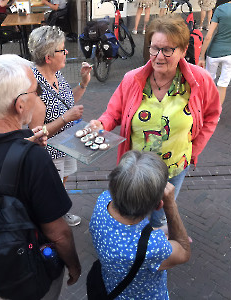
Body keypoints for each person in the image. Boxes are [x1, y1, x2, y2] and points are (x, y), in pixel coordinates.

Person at [0, 54, 81, 299]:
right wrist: (74, 265)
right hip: (32, 270)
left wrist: (22, 148)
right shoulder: (35, 159)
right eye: (37, 90)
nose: (39, 96)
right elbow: (58, 233)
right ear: (20, 105)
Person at [90, 15, 221, 228]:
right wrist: (101, 125)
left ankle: (157, 239)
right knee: (133, 212)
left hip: (175, 165)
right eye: (154, 48)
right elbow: (113, 113)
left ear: (183, 49)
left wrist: (194, 150)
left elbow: (212, 115)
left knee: (160, 214)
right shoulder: (132, 79)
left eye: (167, 50)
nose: (159, 56)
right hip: (136, 170)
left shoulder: (199, 80)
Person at [90, 150, 191, 299]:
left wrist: (157, 230)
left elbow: (128, 232)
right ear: (158, 205)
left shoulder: (103, 201)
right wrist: (170, 205)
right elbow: (183, 251)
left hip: (110, 285)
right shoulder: (153, 247)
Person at [27, 25, 91, 227]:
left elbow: (66, 101)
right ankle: (50, 223)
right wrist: (65, 118)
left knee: (62, 181)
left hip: (65, 144)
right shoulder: (33, 84)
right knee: (48, 190)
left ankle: (61, 211)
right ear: (48, 57)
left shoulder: (56, 74)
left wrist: (83, 83)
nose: (67, 52)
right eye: (63, 49)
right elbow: (35, 133)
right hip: (48, 153)